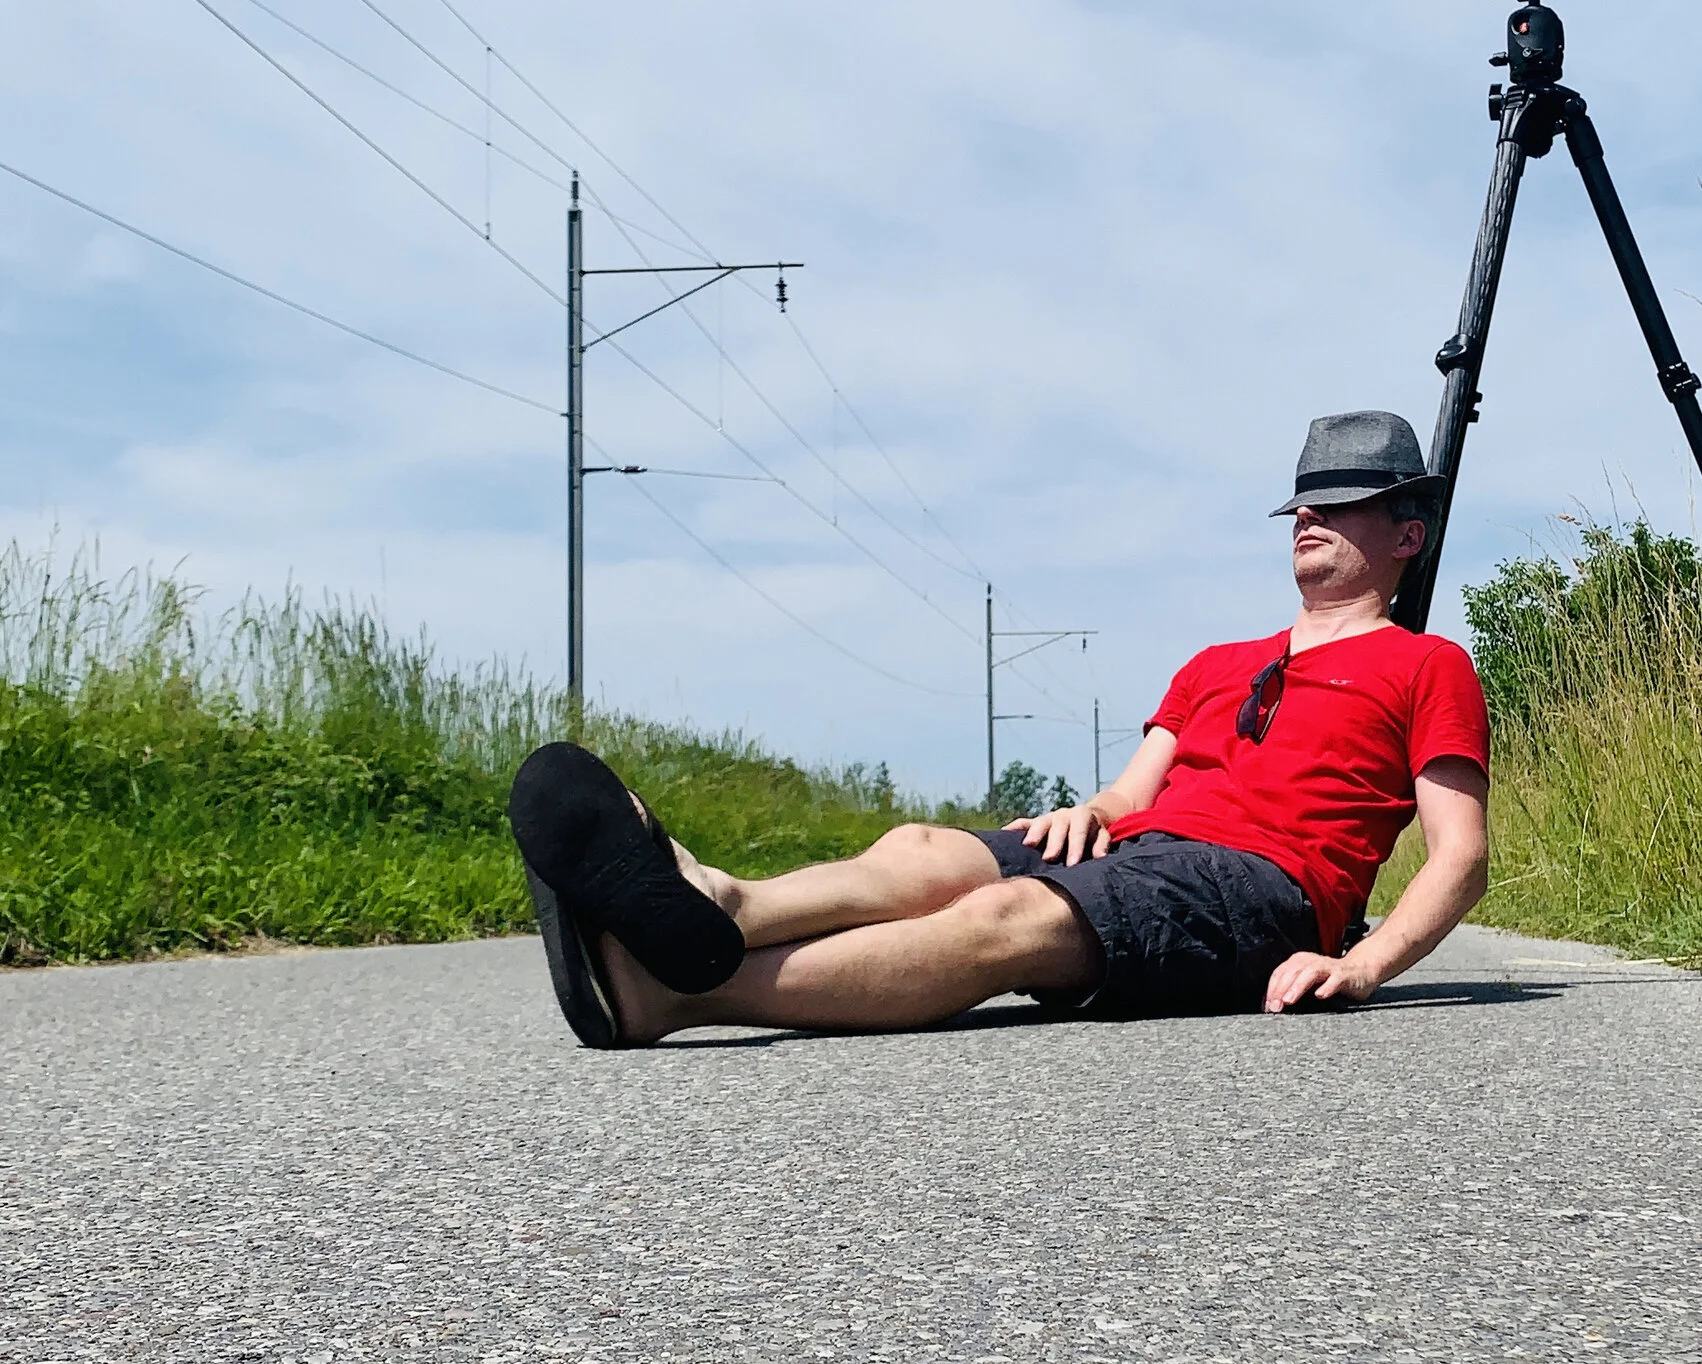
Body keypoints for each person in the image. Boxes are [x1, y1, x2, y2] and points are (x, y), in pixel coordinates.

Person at [507, 411, 1492, 1046]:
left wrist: (1362, 966)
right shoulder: (1213, 662)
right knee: (925, 851)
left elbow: (1460, 855)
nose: (1308, 516)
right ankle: (718, 900)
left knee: (999, 923)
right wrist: (1094, 811)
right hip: (1143, 844)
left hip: (1260, 892)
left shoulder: (1426, 664)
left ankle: (672, 993)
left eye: (1342, 502)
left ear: (1406, 533)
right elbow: (1133, 790)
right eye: (1301, 502)